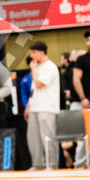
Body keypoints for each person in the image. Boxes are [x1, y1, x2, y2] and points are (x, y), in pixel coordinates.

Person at [24, 41, 59, 170]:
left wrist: (33, 69)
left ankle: (52, 165)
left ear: (42, 52)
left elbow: (39, 84)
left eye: (34, 52)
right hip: (35, 107)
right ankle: (37, 164)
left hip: (47, 107)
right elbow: (33, 91)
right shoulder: (37, 68)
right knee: (33, 139)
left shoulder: (50, 67)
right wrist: (28, 107)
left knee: (47, 138)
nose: (32, 56)